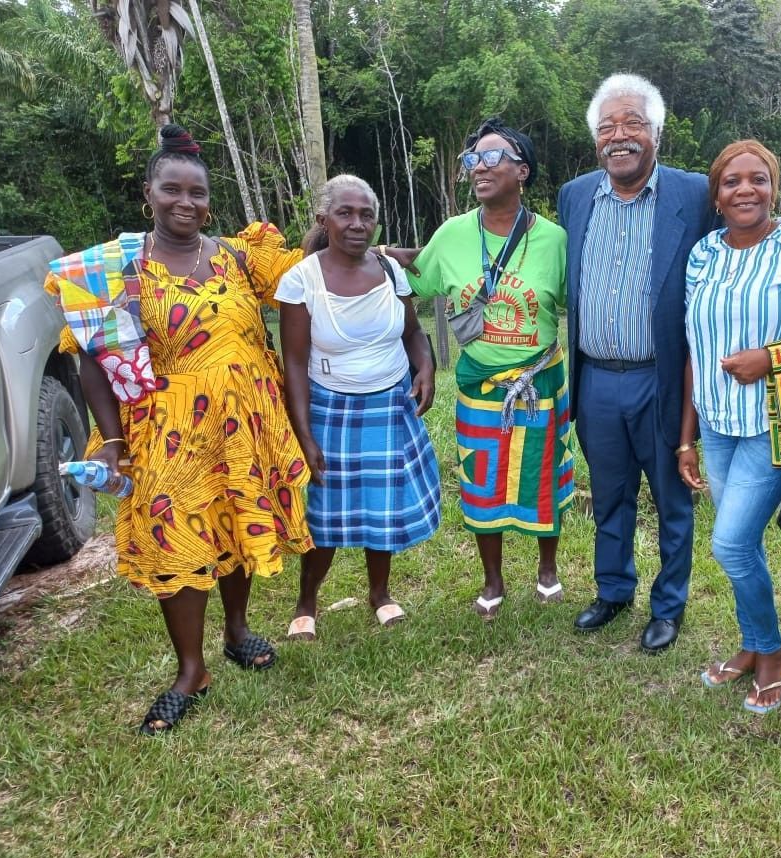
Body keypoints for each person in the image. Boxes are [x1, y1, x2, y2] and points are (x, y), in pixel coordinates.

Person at [45, 124, 314, 734]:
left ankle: (237, 631)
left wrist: (349, 233)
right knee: (177, 544)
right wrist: (113, 441)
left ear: (209, 201)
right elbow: (92, 361)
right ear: (149, 193)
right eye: (172, 190)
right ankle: (191, 670)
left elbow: (309, 273)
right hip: (168, 431)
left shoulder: (239, 257)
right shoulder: (113, 268)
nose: (185, 202)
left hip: (244, 425)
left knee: (237, 525)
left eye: (197, 193)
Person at [678, 140, 781, 710]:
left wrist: (771, 358)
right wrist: (686, 437)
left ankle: (773, 653)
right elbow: (694, 349)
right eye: (732, 182)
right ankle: (752, 645)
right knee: (742, 544)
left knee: (729, 545)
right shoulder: (704, 254)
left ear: (774, 187)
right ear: (716, 196)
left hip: (774, 423)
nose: (745, 189)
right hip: (717, 421)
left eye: (758, 179)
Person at [557, 73, 714, 653]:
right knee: (609, 494)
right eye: (607, 127)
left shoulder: (695, 195)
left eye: (633, 124)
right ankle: (613, 590)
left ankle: (668, 606)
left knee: (672, 499)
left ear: (656, 134)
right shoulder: (575, 196)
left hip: (662, 376)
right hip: (596, 378)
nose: (619, 135)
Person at [406, 118, 573, 619]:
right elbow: (412, 283)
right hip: (479, 382)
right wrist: (368, 254)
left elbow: (577, 300)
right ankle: (493, 578)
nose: (479, 167)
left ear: (522, 171)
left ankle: (548, 568)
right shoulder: (452, 234)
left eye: (493, 157)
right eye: (472, 159)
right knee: (480, 475)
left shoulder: (555, 239)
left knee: (544, 473)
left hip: (540, 379)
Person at [276, 174, 440, 639]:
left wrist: (425, 367)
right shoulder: (301, 281)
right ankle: (307, 601)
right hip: (331, 408)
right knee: (325, 513)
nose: (357, 223)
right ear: (323, 219)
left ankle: (380, 594)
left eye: (366, 215)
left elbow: (413, 332)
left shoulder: (390, 271)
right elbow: (295, 363)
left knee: (380, 507)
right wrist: (304, 434)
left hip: (389, 403)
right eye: (345, 213)